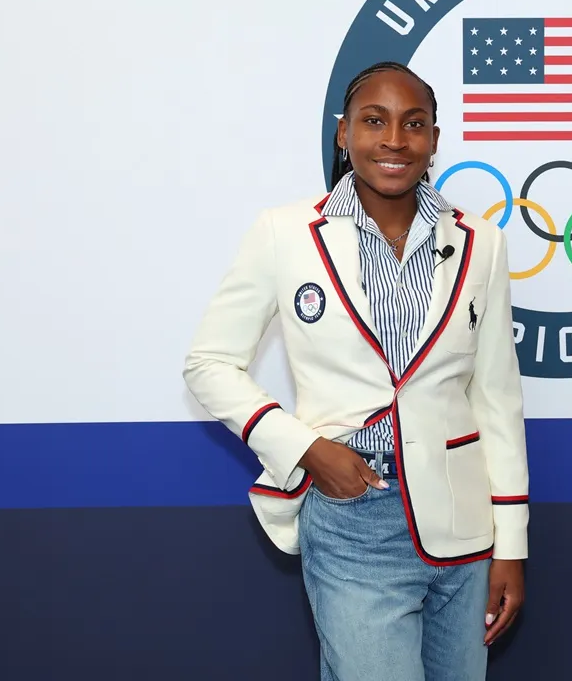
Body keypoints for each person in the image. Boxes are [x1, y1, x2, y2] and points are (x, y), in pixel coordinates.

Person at [182, 61, 529, 680]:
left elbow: (497, 402)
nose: (394, 140)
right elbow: (209, 364)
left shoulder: (483, 242)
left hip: (464, 521)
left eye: (413, 124)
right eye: (375, 121)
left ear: (434, 141)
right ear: (343, 134)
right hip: (353, 516)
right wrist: (307, 448)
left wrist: (512, 546)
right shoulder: (285, 234)